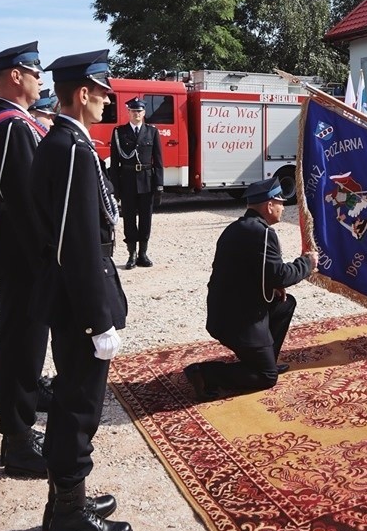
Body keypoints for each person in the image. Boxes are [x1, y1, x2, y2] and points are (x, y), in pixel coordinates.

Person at [30, 50, 132, 531]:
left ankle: (63, 505)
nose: (109, 96)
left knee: (76, 398)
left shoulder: (71, 142)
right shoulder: (70, 148)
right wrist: (98, 320)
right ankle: (69, 518)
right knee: (78, 405)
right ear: (82, 93)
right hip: (78, 301)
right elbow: (76, 241)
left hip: (74, 292)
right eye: (102, 88)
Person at [0, 41, 49, 477]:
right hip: (26, 253)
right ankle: (18, 441)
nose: (41, 80)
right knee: (23, 344)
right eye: (35, 72)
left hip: (18, 249)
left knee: (17, 341)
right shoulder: (14, 126)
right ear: (16, 76)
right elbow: (26, 201)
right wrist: (50, 255)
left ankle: (16, 429)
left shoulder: (9, 122)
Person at [184, 177, 318, 400]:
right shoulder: (263, 233)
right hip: (239, 321)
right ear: (269, 206)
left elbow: (247, 272)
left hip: (228, 312)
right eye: (280, 203)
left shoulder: (237, 228)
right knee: (266, 378)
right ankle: (205, 373)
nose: (283, 208)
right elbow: (281, 275)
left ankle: (265, 360)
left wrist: (272, 285)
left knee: (286, 304)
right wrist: (307, 263)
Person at [109, 97, 163, 268]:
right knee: (130, 219)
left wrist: (159, 185)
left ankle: (143, 254)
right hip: (128, 182)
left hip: (147, 181)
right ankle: (131, 255)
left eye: (139, 111)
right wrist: (115, 188)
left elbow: (159, 161)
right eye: (133, 111)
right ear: (129, 112)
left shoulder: (152, 132)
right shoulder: (119, 132)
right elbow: (115, 163)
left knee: (146, 219)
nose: (136, 114)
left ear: (144, 113)